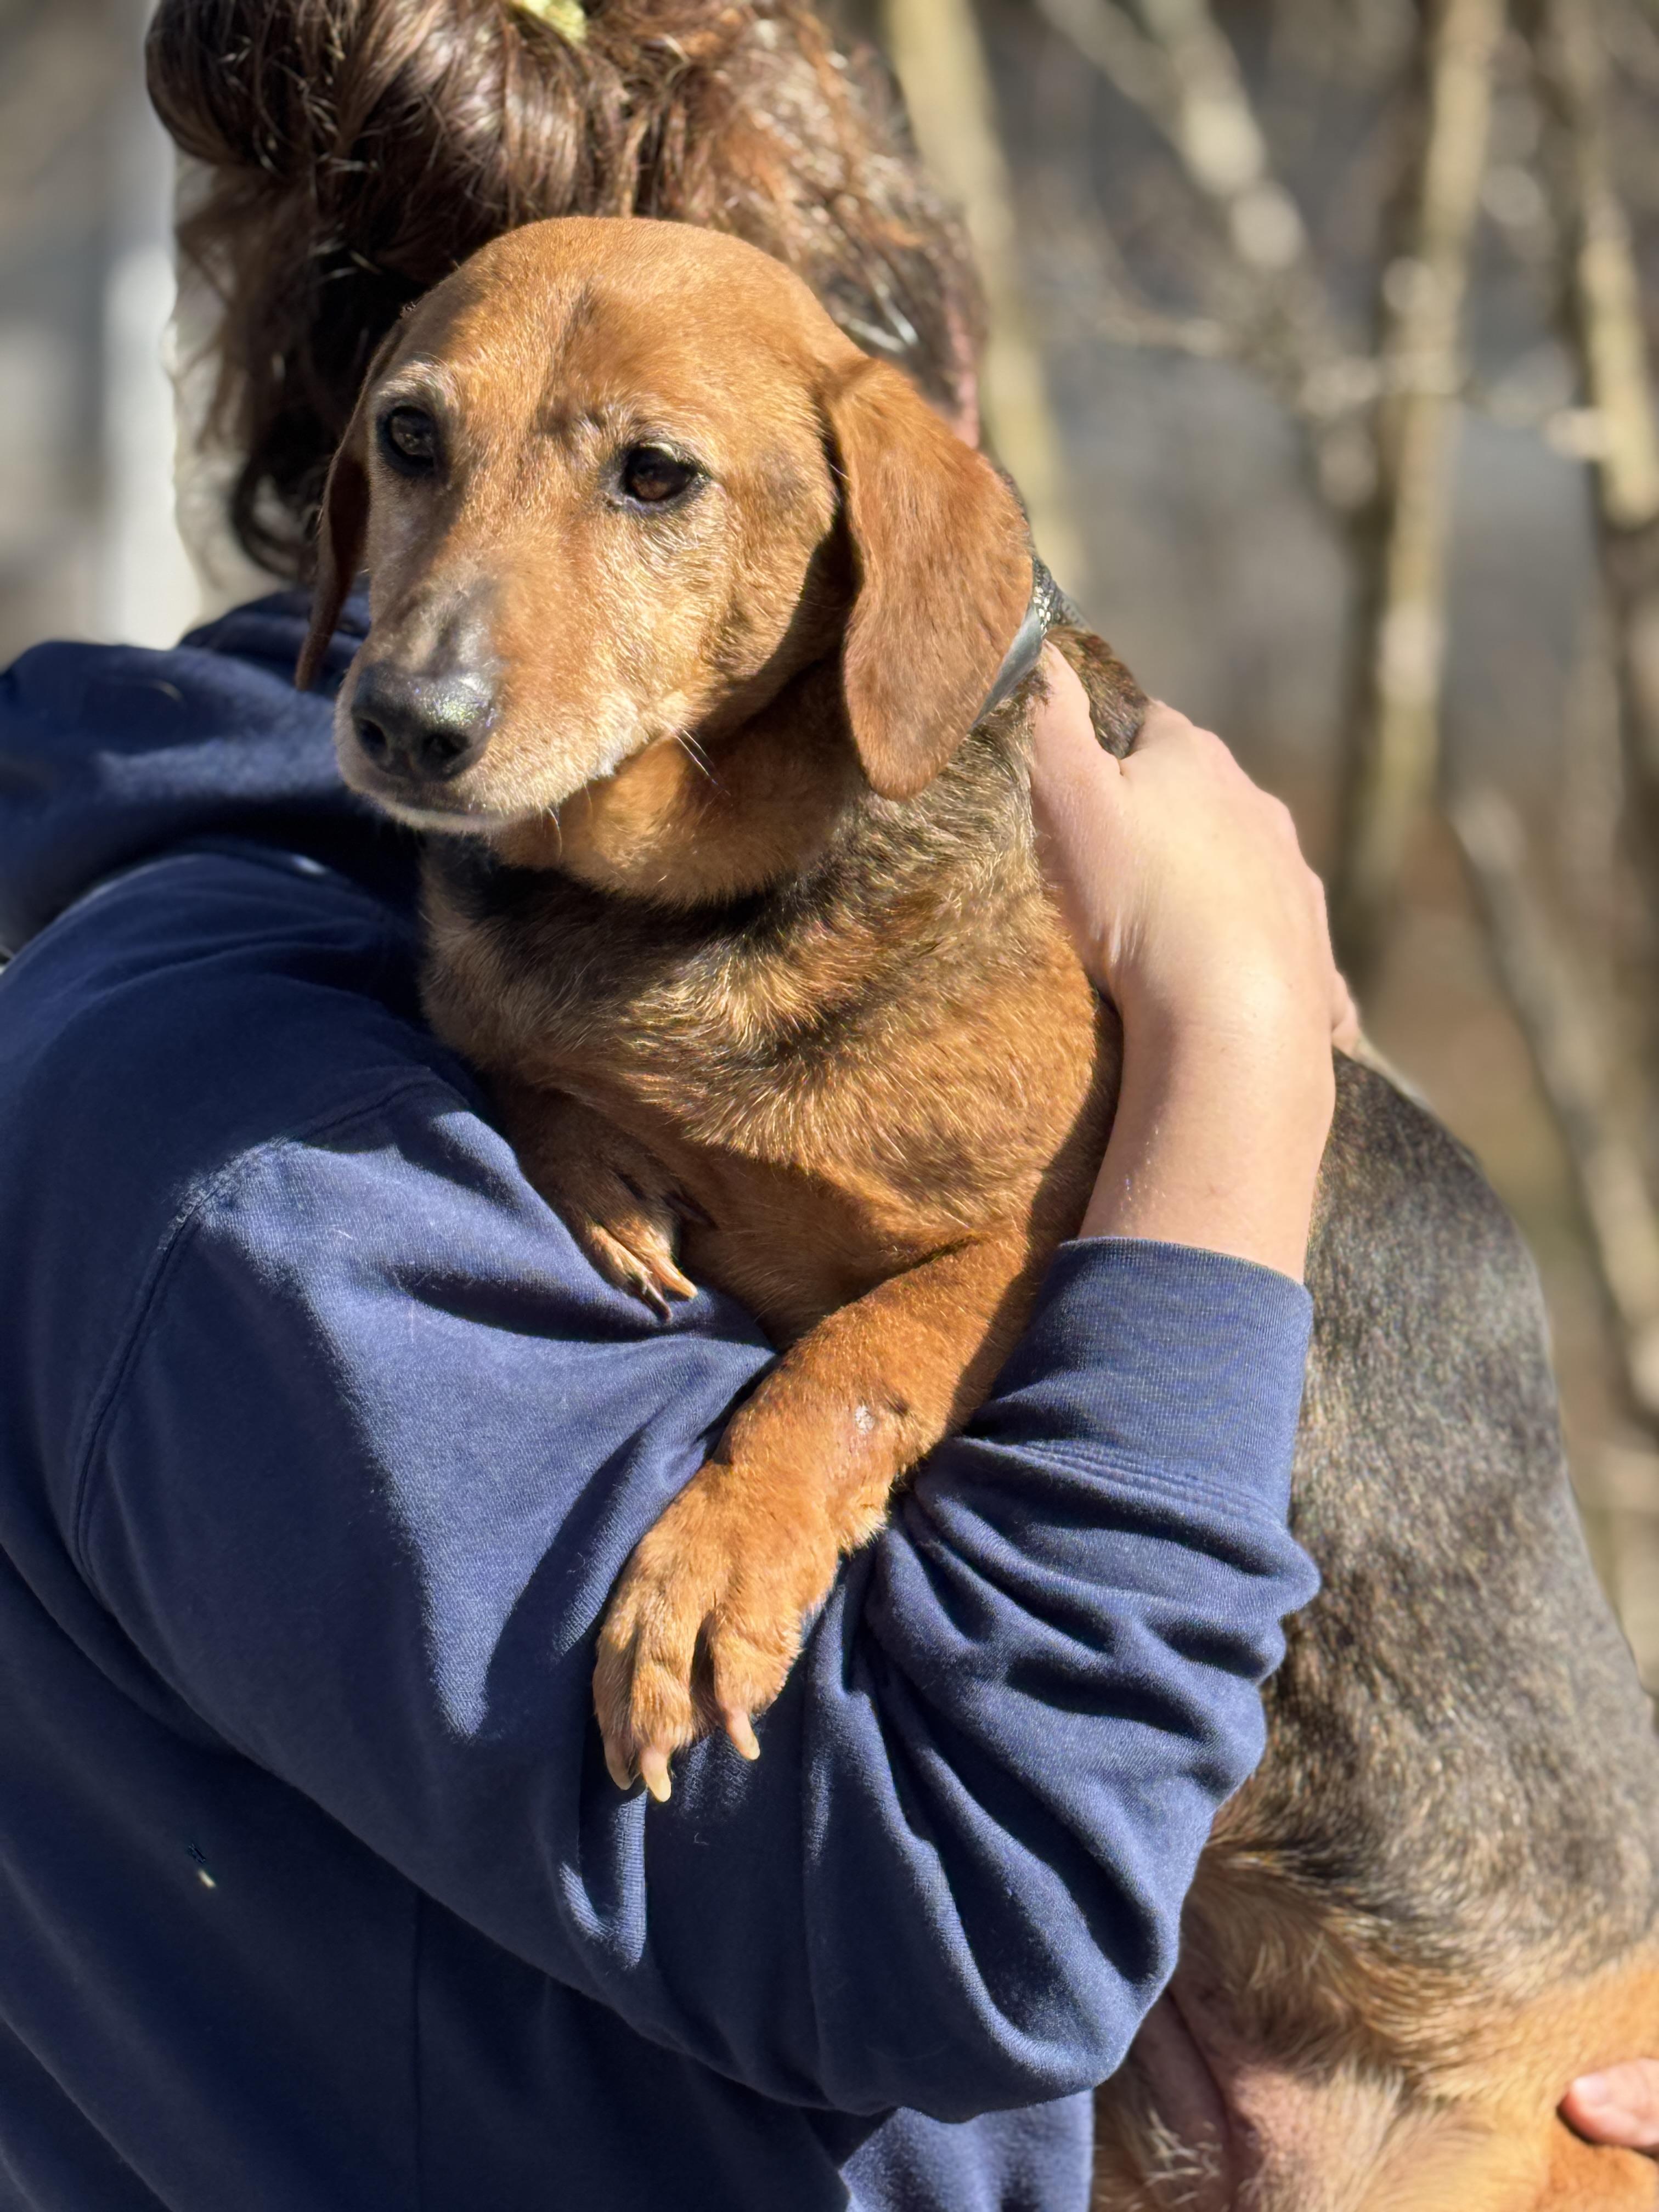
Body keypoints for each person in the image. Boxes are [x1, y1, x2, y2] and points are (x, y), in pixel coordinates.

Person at [0, 1, 1652, 2203]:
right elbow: (978, 1919)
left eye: (651, 480)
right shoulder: (240, 1151)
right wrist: (1241, 1039)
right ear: (349, 496)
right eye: (428, 448)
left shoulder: (625, 977)